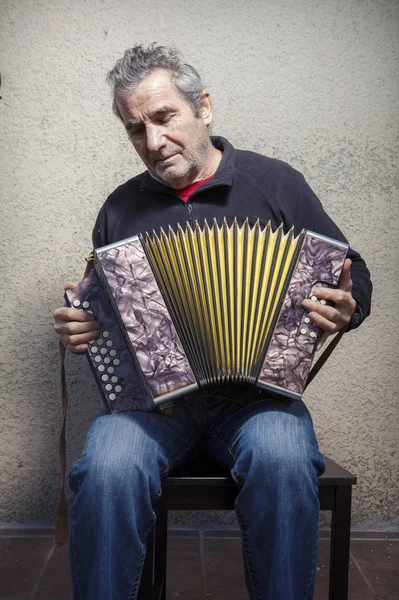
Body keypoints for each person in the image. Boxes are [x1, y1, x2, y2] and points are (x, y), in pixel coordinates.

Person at [53, 44, 372, 600]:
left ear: (203, 106)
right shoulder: (120, 208)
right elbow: (104, 312)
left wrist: (347, 307)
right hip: (154, 406)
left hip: (257, 397)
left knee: (283, 458)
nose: (152, 143)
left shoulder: (276, 184)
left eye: (163, 117)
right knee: (106, 468)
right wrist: (85, 327)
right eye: (135, 129)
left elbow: (352, 271)